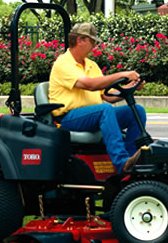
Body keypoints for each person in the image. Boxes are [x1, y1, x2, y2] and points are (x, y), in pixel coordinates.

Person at [49, 22, 147, 174]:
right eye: (92, 41)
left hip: (94, 115)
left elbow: (107, 95)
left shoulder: (91, 65)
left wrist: (130, 88)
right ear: (80, 40)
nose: (94, 45)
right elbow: (89, 85)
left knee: (137, 111)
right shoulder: (63, 63)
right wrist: (122, 74)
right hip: (68, 118)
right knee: (105, 110)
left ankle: (134, 160)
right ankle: (122, 163)